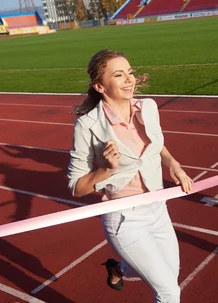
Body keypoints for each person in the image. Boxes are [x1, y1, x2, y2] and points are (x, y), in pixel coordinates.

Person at [67, 49, 193, 302]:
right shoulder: (87, 125)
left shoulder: (148, 107)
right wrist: (105, 169)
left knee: (170, 274)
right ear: (99, 86)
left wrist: (174, 164)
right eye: (118, 75)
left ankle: (118, 268)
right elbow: (76, 188)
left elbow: (156, 146)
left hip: (158, 209)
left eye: (130, 72)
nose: (129, 79)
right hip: (125, 219)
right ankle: (124, 264)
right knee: (168, 291)